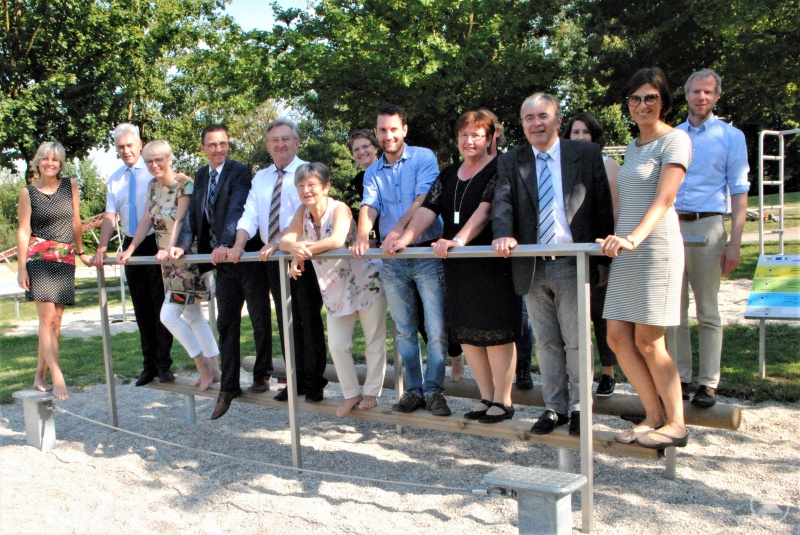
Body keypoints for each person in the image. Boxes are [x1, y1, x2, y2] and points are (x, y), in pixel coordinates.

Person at [493, 93, 614, 436]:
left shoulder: (585, 154)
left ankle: (580, 407)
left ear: (558, 120)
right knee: (546, 342)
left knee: (577, 339)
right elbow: (502, 202)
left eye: (543, 116)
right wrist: (503, 234)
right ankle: (554, 407)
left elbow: (602, 205)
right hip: (531, 264)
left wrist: (603, 259)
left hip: (572, 261)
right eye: (529, 118)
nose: (536, 123)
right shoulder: (512, 161)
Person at [396, 111, 521, 423]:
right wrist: (406, 237)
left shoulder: (500, 167)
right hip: (457, 264)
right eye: (464, 135)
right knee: (467, 332)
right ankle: (485, 396)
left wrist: (459, 239)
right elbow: (429, 207)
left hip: (490, 261)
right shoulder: (450, 172)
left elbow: (486, 210)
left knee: (495, 331)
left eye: (477, 134)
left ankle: (503, 401)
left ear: (492, 137)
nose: (469, 141)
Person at [597, 67, 691, 449]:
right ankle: (652, 416)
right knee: (618, 337)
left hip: (655, 248)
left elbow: (665, 198)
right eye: (635, 98)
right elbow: (625, 200)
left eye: (650, 97)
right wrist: (617, 238)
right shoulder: (634, 146)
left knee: (650, 340)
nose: (642, 105)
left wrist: (634, 238)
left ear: (663, 100)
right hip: (628, 248)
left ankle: (677, 424)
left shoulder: (676, 141)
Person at [351, 104, 451, 417]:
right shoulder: (372, 171)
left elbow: (423, 200)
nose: (388, 135)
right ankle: (414, 391)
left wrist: (397, 231)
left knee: (435, 329)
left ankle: (435, 391)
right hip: (392, 260)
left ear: (404, 129)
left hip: (424, 251)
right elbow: (369, 205)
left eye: (394, 129)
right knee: (404, 330)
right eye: (382, 130)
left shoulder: (424, 157)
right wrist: (362, 235)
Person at [173, 124, 273, 420]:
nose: (219, 149)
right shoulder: (201, 176)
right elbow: (194, 216)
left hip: (245, 256)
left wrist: (228, 244)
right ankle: (228, 386)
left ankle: (262, 374)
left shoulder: (240, 171)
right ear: (202, 147)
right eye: (212, 144)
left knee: (258, 317)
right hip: (220, 262)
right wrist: (183, 246)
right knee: (226, 322)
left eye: (223, 143)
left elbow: (237, 210)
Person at [666, 68, 750, 408]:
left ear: (716, 97)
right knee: (673, 309)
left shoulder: (731, 137)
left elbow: (740, 191)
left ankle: (708, 383)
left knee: (708, 310)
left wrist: (734, 243)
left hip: (708, 226)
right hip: (672, 226)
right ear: (686, 95)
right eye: (695, 91)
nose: (701, 97)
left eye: (708, 92)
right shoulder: (672, 135)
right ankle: (680, 377)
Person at [232, 118, 329, 403]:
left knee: (307, 319)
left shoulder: (306, 172)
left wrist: (281, 241)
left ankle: (315, 382)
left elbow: (304, 212)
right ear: (267, 146)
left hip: (303, 256)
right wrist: (239, 243)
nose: (280, 144)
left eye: (286, 139)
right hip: (274, 260)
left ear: (297, 142)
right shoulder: (260, 177)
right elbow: (250, 213)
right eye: (274, 140)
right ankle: (294, 380)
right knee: (286, 320)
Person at [280, 163, 388, 416]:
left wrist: (302, 250)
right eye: (301, 186)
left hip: (366, 280)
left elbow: (337, 240)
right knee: (338, 345)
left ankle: (372, 391)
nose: (306, 190)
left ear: (326, 187)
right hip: (334, 287)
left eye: (312, 185)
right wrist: (296, 250)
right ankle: (352, 393)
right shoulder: (302, 212)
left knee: (374, 341)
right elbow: (285, 239)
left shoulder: (340, 209)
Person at [117, 140, 219, 390]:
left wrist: (168, 248)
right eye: (149, 161)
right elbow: (145, 220)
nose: (154, 165)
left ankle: (202, 364)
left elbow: (181, 221)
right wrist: (129, 248)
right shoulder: (153, 186)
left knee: (168, 316)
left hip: (183, 257)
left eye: (159, 159)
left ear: (170, 158)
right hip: (167, 260)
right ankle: (216, 368)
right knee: (194, 316)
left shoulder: (185, 184)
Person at [93, 124, 174, 386]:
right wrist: (102, 247)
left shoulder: (152, 171)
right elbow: (109, 215)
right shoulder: (114, 178)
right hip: (131, 243)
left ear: (139, 144)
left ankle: (164, 365)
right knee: (141, 307)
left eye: (130, 145)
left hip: (156, 242)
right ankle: (148, 364)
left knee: (160, 305)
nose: (126, 151)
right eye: (120, 147)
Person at [18, 141, 92, 400]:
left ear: (61, 164)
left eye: (56, 160)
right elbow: (24, 230)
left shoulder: (69, 186)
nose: (51, 163)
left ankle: (40, 374)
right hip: (38, 257)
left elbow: (76, 221)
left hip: (65, 257)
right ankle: (58, 375)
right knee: (47, 319)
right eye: (46, 159)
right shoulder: (28, 192)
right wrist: (21, 269)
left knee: (55, 323)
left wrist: (81, 252)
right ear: (38, 161)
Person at [564, 112, 621, 397]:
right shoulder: (562, 166)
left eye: (586, 132)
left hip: (598, 251)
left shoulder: (608, 164)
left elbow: (612, 212)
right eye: (575, 132)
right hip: (566, 254)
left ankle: (608, 373)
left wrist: (605, 258)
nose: (581, 137)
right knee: (570, 320)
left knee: (600, 315)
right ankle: (574, 375)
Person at [481, 107, 535, 391]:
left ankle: (523, 366)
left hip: (513, 248)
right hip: (484, 250)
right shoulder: (471, 165)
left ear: (497, 133)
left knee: (522, 314)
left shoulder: (513, 161)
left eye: (491, 130)